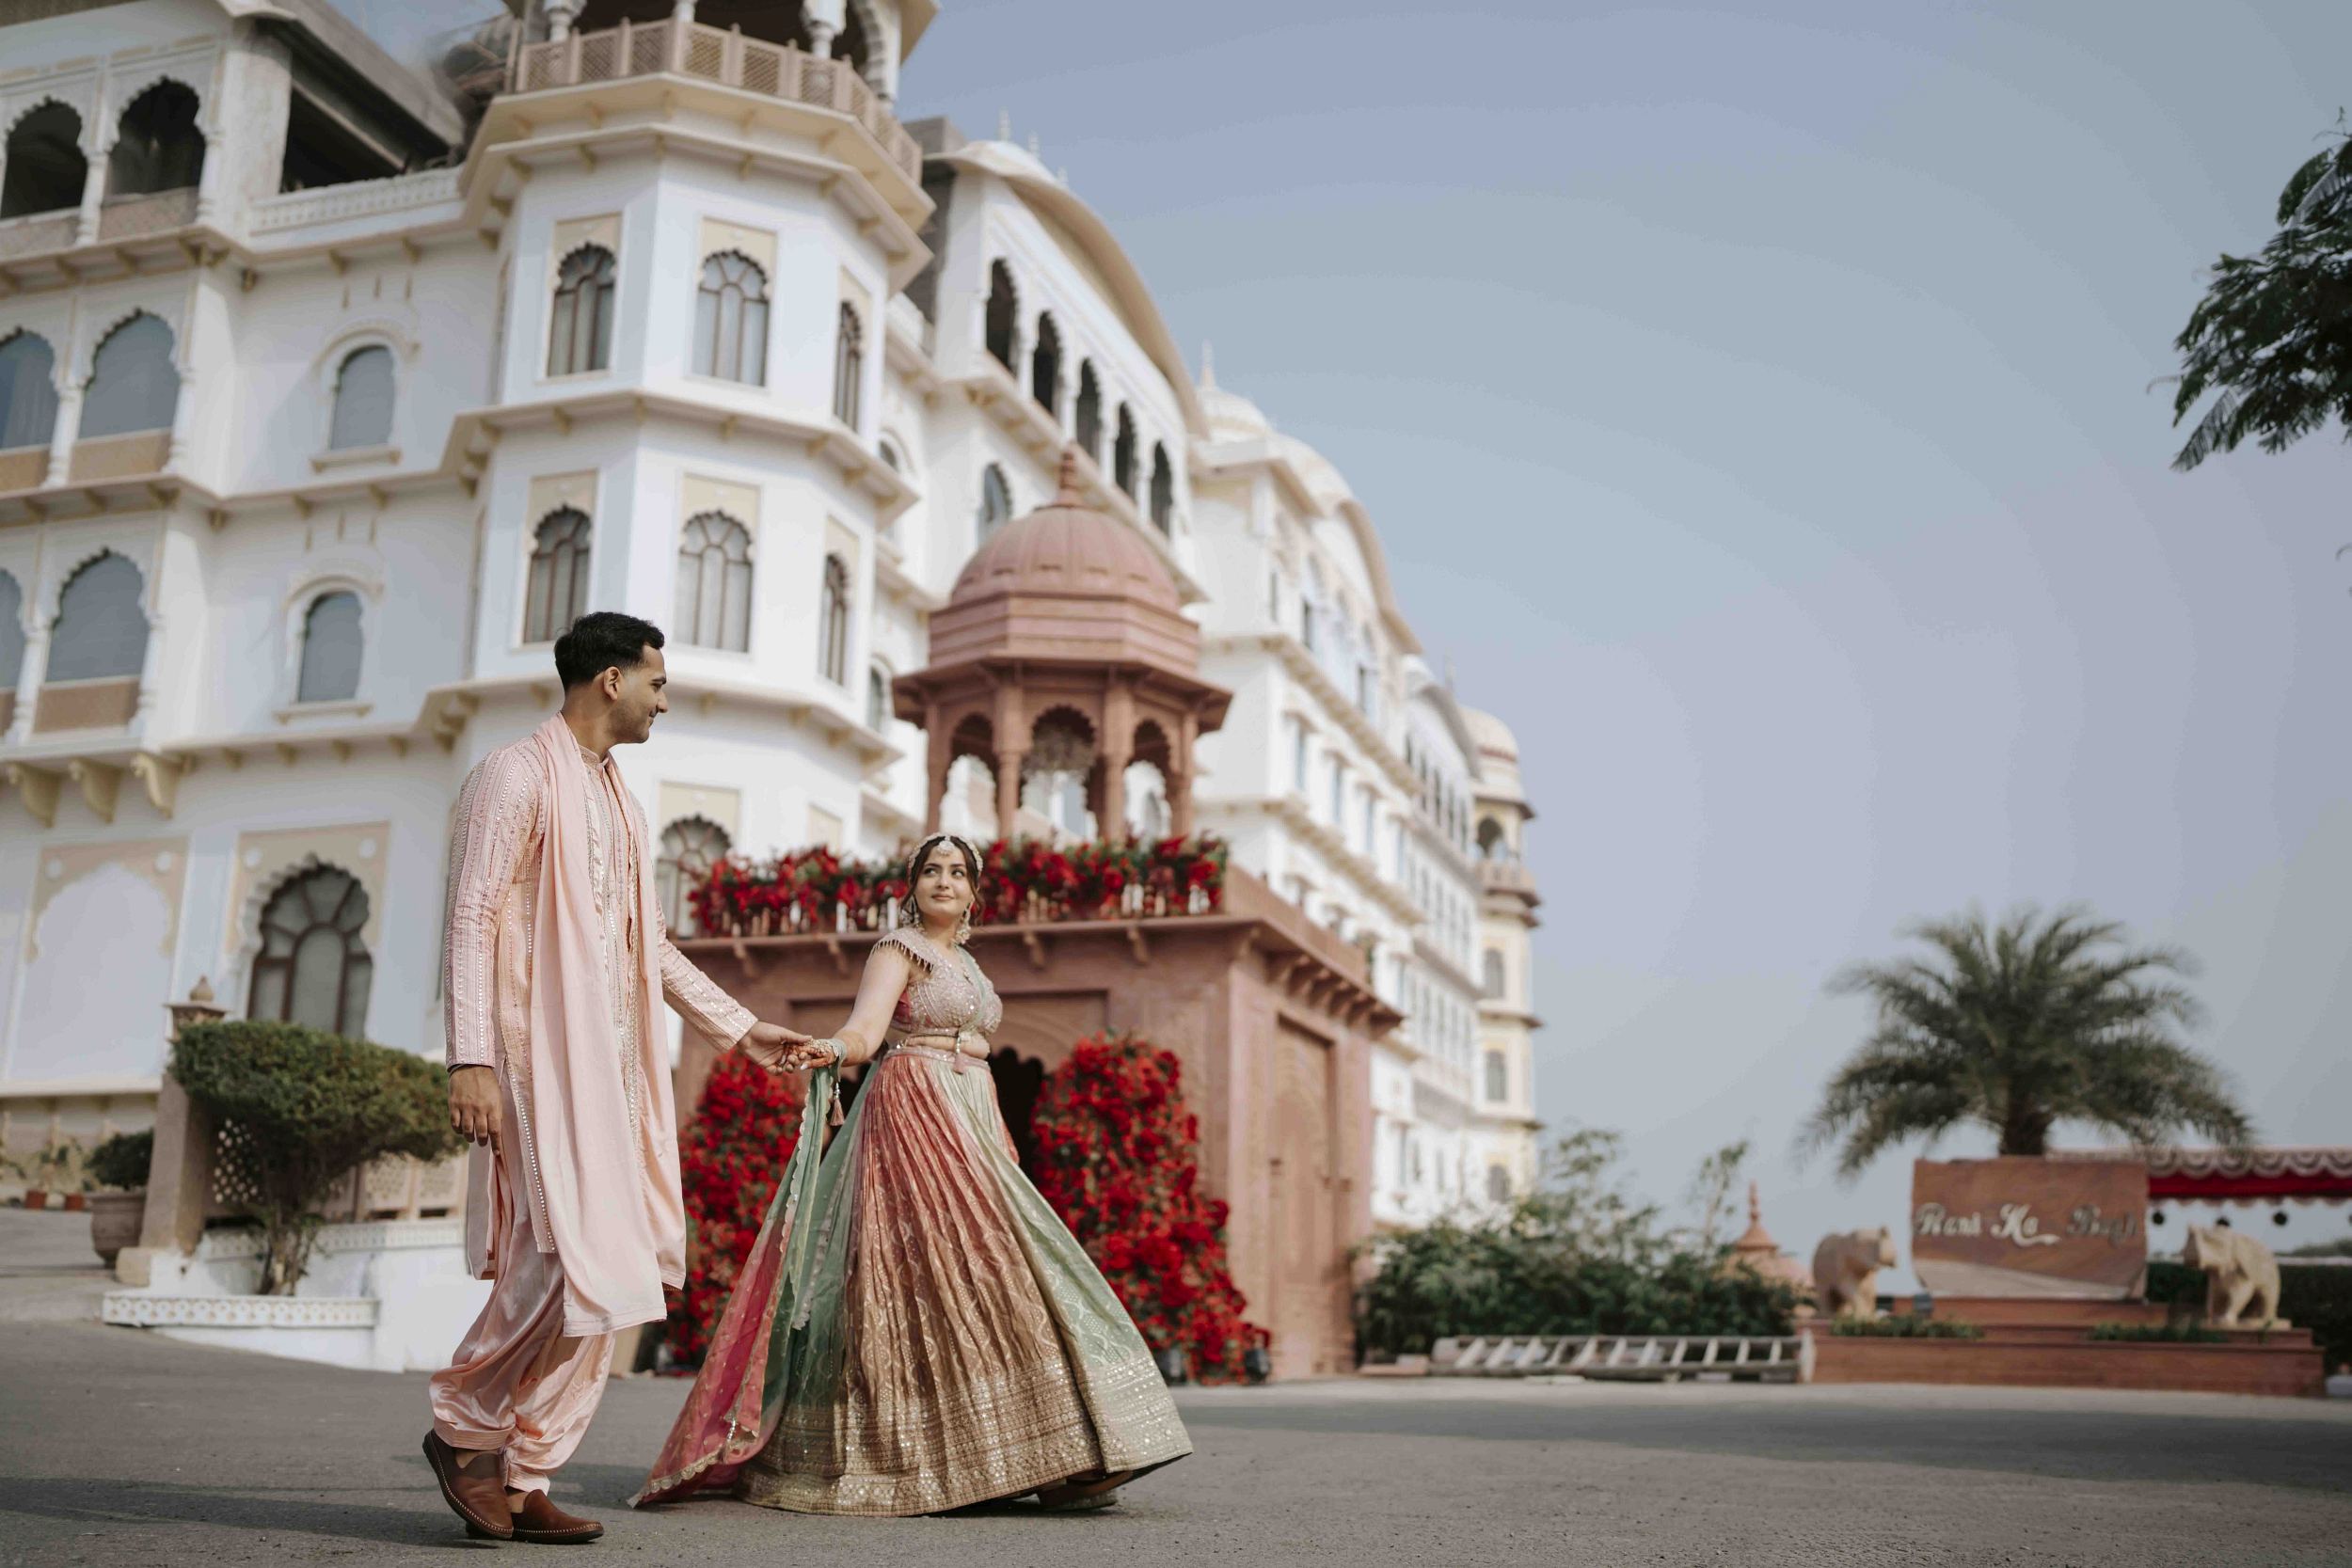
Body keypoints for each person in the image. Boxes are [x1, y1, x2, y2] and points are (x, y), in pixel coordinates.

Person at [634, 832, 1192, 1517]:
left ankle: (1052, 1446)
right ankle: (941, 1452)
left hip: (972, 1111)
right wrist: (832, 1049)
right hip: (915, 1109)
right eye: (932, 869)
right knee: (934, 1271)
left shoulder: (970, 965)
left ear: (974, 891)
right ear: (913, 883)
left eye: (958, 872)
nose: (944, 880)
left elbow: (979, 1048)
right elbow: (867, 1031)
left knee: (1005, 1265)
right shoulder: (898, 949)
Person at [422, 611, 808, 1544]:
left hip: (614, 1064)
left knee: (619, 1269)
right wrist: (469, 1055)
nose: (663, 699)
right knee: (557, 1253)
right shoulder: (515, 774)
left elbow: (652, 945)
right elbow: (471, 918)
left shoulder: (623, 803)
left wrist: (742, 1026)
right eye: (656, 682)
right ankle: (463, 1425)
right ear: (609, 680)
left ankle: (525, 1470)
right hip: (526, 1051)